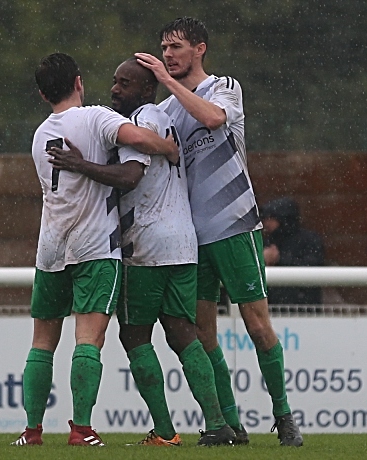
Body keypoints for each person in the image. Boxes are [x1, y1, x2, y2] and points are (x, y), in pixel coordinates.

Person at [48, 57, 235, 446]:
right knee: (184, 334)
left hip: (147, 245)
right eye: (114, 81)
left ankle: (165, 432)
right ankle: (219, 426)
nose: (115, 89)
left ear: (147, 90)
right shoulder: (158, 117)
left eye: (125, 83)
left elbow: (131, 176)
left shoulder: (146, 119)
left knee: (134, 336)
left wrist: (80, 165)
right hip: (182, 245)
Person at [135, 17, 304, 447]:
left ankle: (283, 415)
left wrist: (166, 82)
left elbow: (212, 119)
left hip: (234, 225)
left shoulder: (224, 87)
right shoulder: (167, 111)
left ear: (200, 49)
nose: (168, 54)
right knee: (204, 332)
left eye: (175, 47)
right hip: (192, 237)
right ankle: (230, 425)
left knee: (257, 325)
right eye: (164, 47)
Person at [12, 52, 178, 448]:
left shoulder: (39, 134)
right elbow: (137, 139)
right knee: (88, 339)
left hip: (50, 246)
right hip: (93, 246)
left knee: (41, 342)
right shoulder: (95, 117)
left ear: (41, 93)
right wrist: (167, 148)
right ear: (79, 82)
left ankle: (31, 431)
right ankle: (81, 429)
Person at [261, 197, 324, 306]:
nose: (266, 222)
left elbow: (312, 268)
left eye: (271, 218)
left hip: (304, 308)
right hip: (273, 307)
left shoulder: (309, 240)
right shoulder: (266, 241)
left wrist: (279, 259)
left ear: (284, 219)